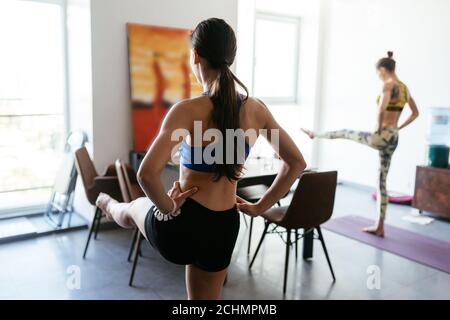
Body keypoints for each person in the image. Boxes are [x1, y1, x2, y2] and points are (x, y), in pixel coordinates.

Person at [96, 18, 306, 300]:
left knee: (132, 208)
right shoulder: (256, 110)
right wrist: (260, 207)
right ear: (230, 58)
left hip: (182, 224)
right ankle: (111, 205)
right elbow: (296, 163)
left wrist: (168, 207)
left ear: (195, 55)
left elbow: (146, 174)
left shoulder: (187, 111)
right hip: (223, 227)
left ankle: (107, 204)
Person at [301, 51, 419, 237]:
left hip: (382, 136)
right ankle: (380, 226)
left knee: (346, 133)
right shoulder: (404, 88)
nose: (379, 76)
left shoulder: (388, 85)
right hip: (394, 137)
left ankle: (315, 134)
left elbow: (381, 110)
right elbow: (415, 113)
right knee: (382, 181)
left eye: (378, 73)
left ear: (382, 69)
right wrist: (398, 127)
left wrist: (379, 129)